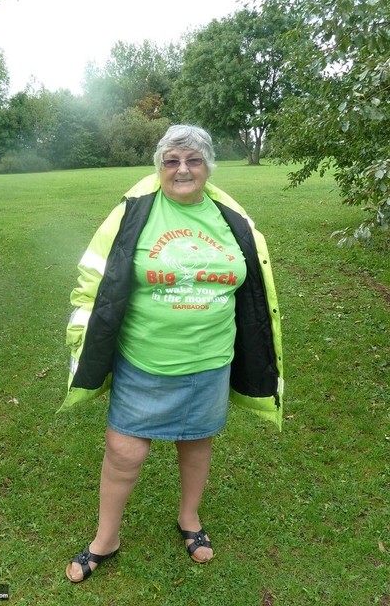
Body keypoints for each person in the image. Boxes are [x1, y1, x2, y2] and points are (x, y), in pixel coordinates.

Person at [58, 124, 284, 583]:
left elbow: (255, 286)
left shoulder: (230, 217)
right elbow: (94, 278)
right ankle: (107, 538)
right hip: (145, 359)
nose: (183, 169)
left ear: (208, 167)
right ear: (159, 166)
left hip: (210, 360)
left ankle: (190, 520)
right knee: (124, 450)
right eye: (172, 160)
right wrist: (83, 335)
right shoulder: (133, 214)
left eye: (194, 160)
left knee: (196, 440)